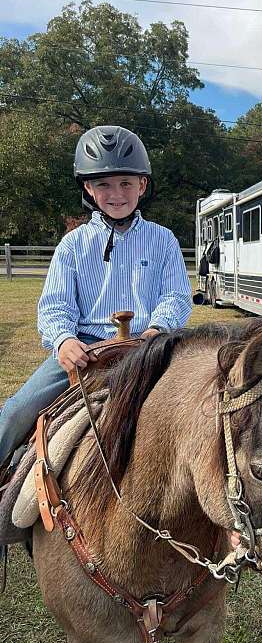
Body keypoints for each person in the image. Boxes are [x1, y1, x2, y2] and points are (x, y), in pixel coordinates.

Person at [0, 125, 192, 472]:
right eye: (103, 184)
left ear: (142, 185)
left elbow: (175, 296)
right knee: (16, 411)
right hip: (87, 350)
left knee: (209, 411)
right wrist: (64, 340)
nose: (116, 193)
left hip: (150, 346)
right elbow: (55, 305)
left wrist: (157, 329)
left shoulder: (163, 240)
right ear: (88, 187)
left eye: (126, 183)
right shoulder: (73, 246)